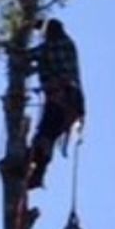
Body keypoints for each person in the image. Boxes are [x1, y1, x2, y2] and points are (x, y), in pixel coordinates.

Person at [26, 17, 85, 189]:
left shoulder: (56, 45)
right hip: (71, 101)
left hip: (64, 98)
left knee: (45, 134)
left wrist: (17, 55)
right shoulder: (65, 44)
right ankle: (38, 171)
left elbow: (33, 55)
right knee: (47, 135)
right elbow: (43, 61)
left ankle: (34, 165)